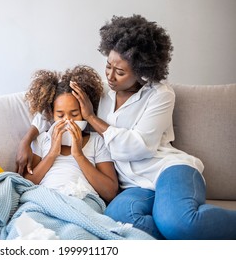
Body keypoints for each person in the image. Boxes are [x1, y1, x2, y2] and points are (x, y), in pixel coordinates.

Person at [16, 14, 236, 240]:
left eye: (120, 72)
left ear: (142, 71)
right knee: (114, 222)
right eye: (108, 66)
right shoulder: (101, 91)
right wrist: (26, 141)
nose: (110, 76)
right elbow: (55, 109)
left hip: (167, 170)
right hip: (132, 186)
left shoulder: (160, 95)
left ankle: (179, 226)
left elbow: (139, 147)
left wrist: (92, 118)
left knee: (178, 223)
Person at [23, 65, 119, 203]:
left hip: (83, 201)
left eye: (74, 114)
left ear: (84, 113)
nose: (67, 120)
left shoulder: (97, 141)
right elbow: (27, 185)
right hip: (46, 199)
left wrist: (79, 155)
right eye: (60, 115)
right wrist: (52, 154)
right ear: (52, 115)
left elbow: (110, 192)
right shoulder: (43, 140)